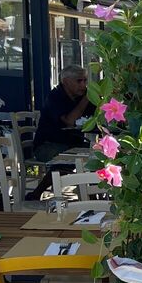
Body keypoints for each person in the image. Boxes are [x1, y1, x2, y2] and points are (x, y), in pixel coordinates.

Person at [26, 66, 94, 200]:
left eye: (85, 81)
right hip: (47, 145)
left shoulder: (82, 95)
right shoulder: (55, 96)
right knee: (66, 159)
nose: (83, 85)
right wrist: (87, 98)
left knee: (96, 154)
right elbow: (69, 121)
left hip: (72, 144)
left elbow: (98, 114)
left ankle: (93, 193)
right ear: (66, 81)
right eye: (79, 81)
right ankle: (38, 193)